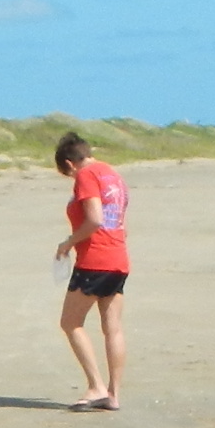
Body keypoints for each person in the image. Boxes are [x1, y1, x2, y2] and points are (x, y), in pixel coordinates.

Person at [52, 130, 130, 412]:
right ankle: (113, 394)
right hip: (119, 257)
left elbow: (95, 219)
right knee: (113, 328)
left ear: (71, 165)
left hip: (95, 259)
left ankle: (96, 386)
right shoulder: (113, 174)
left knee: (70, 322)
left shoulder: (87, 175)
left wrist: (68, 243)